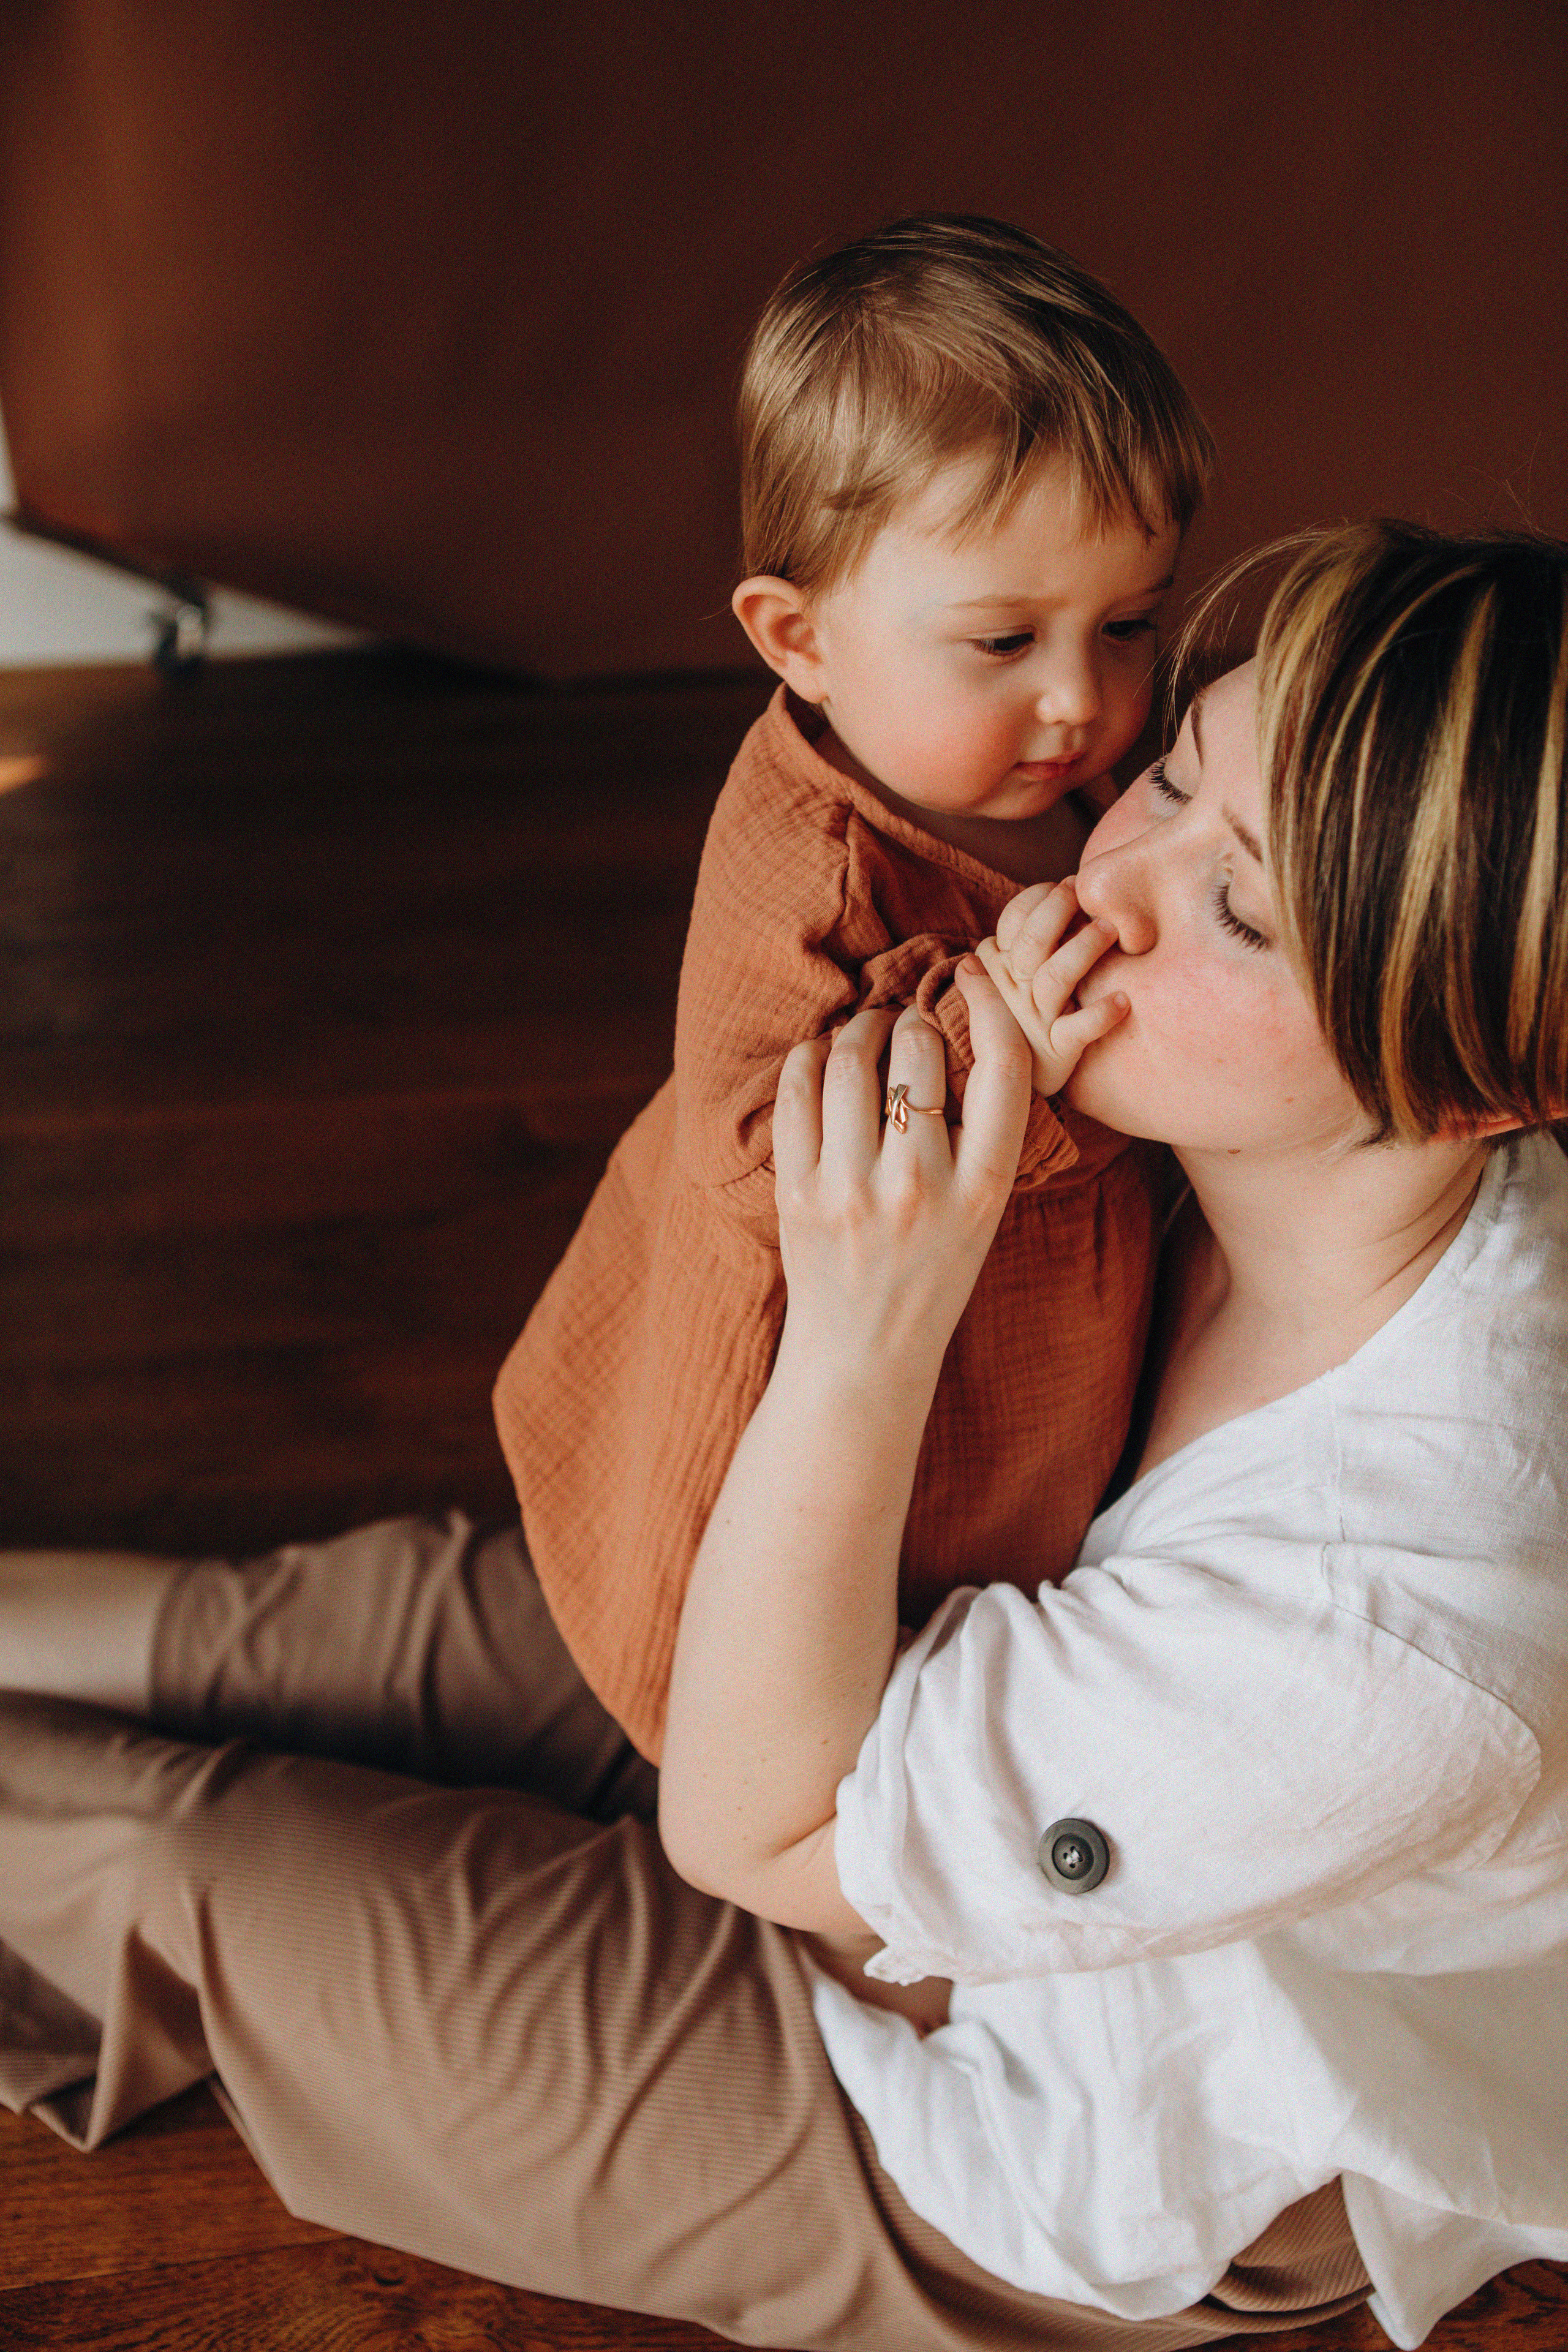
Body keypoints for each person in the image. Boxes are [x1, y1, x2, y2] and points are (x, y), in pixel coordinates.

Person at [2, 520, 1566, 2352]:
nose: (1114, 884)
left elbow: (752, 1828)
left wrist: (865, 1329)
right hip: (911, 1691)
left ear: (1486, 1082)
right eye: (1166, 777)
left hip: (1039, 2122)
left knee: (195, 1872)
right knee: (332, 1628)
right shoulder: (1224, 1130)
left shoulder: (1389, 1636)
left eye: (1241, 910)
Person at [494, 213, 1214, 1757]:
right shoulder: (807, 862)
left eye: (1128, 623)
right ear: (798, 638)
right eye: (1001, 639)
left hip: (1035, 1367)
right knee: (797, 1674)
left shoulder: (1100, 778)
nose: (1078, 697)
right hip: (823, 1414)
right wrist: (997, 1041)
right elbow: (760, 1154)